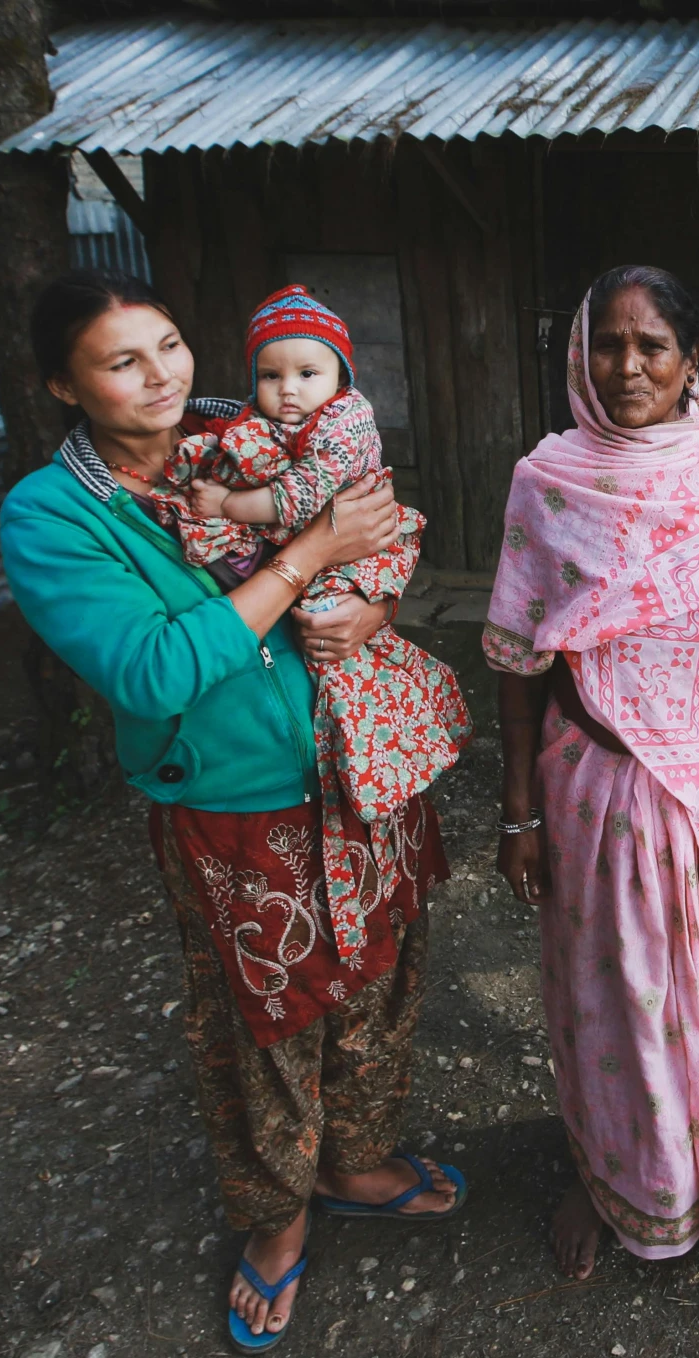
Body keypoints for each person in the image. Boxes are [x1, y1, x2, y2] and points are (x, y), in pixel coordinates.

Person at [0, 270, 465, 1358]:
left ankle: (355, 1162)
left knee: (381, 973)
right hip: (232, 803)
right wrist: (309, 556)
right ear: (63, 384)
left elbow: (384, 524)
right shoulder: (55, 515)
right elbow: (156, 671)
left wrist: (373, 601)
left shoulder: (249, 429)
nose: (161, 375)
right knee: (265, 1018)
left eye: (168, 343)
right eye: (121, 361)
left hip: (355, 765)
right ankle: (277, 1212)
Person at [482, 265, 699, 1278]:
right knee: (621, 998)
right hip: (600, 790)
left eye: (652, 346)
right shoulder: (548, 481)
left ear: (691, 363)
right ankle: (622, 1182)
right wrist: (517, 810)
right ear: (577, 358)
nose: (627, 364)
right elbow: (516, 657)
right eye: (608, 344)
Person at [149, 284, 471, 958]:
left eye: (307, 372)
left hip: (357, 558)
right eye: (271, 374)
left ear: (341, 376)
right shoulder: (249, 427)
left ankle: (404, 737)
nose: (288, 389)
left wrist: (230, 506)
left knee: (346, 650)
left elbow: (311, 492)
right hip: (269, 691)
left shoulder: (346, 422)